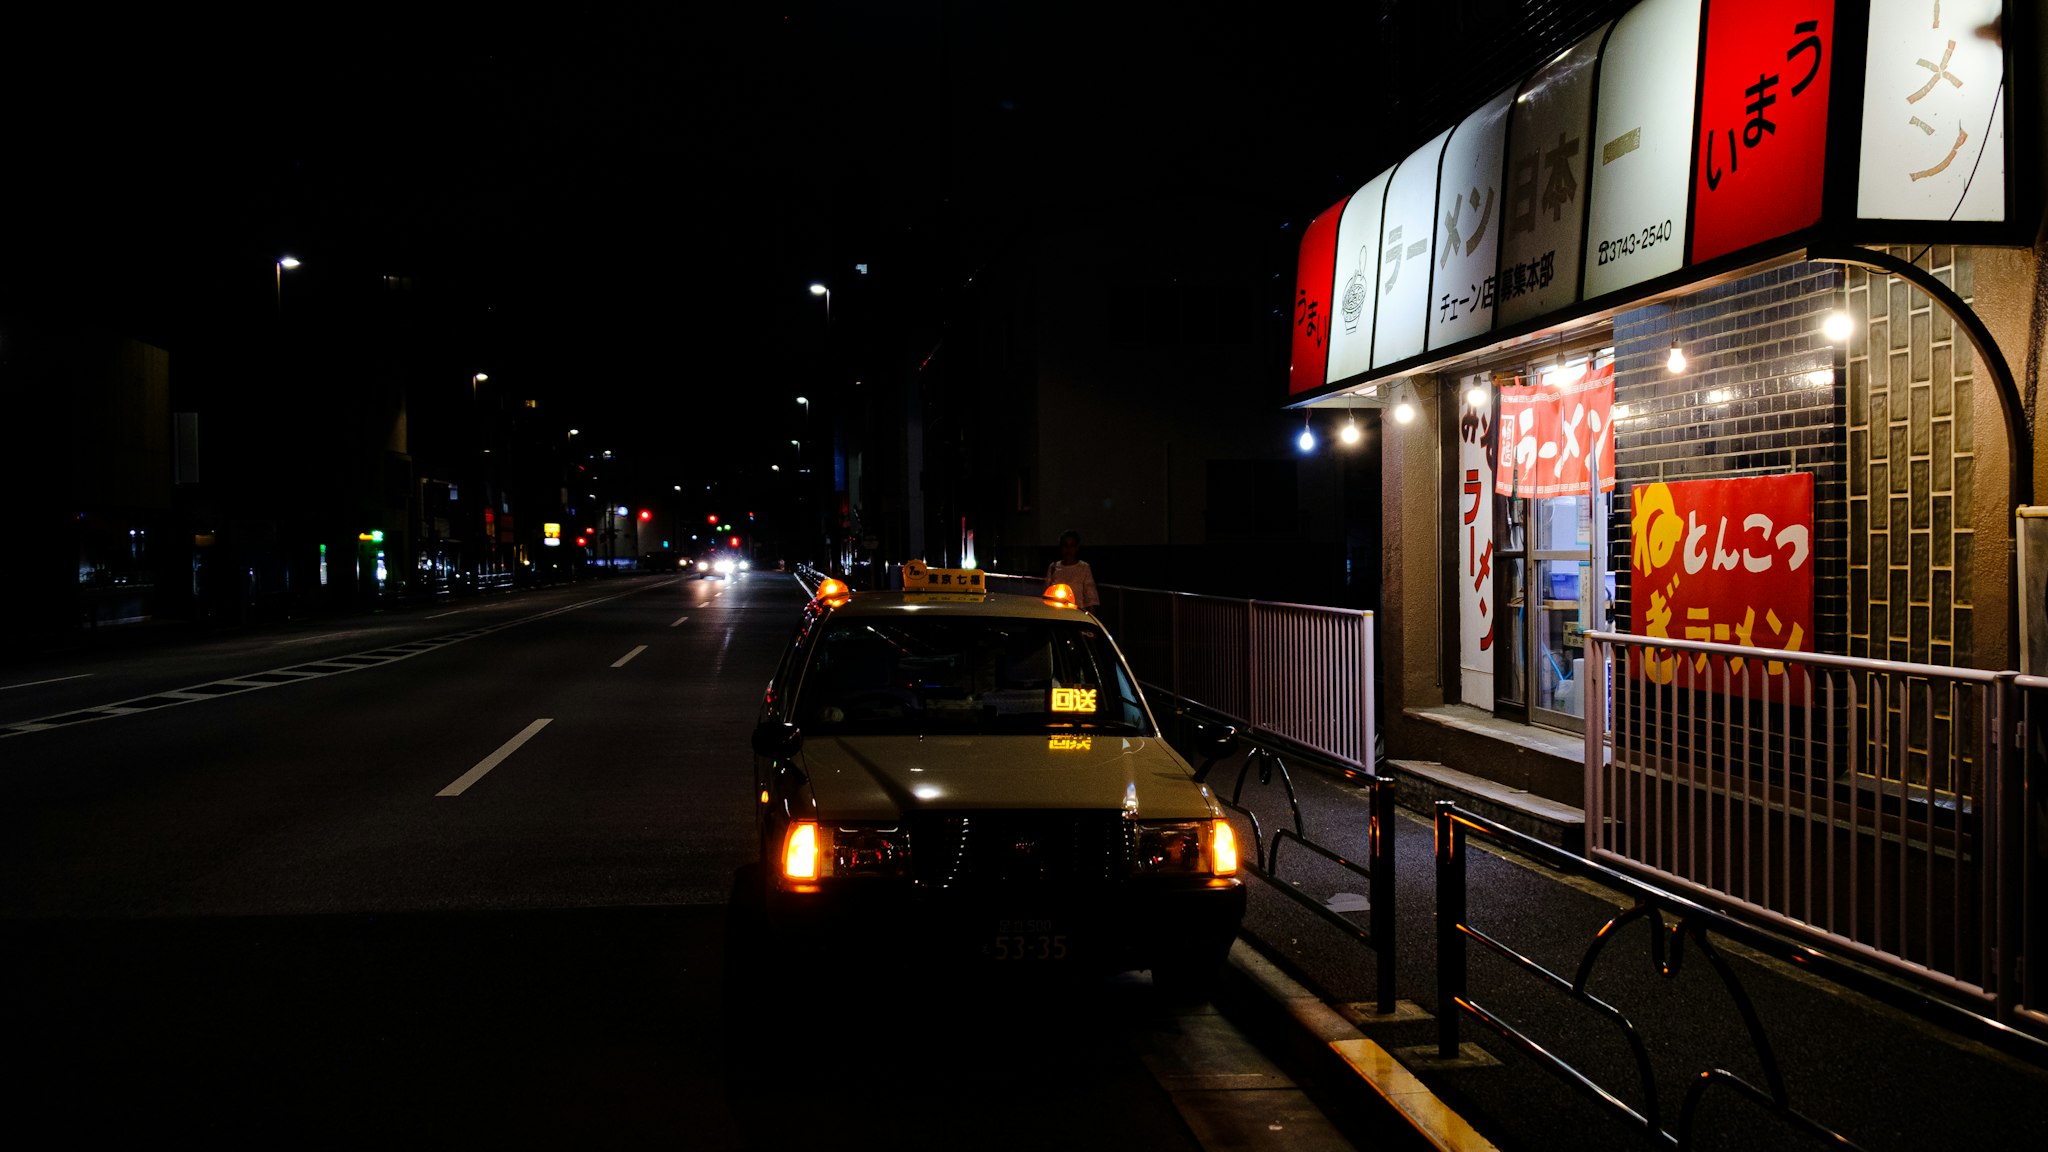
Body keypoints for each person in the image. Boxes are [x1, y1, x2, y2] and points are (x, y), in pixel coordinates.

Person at [1045, 530, 1100, 613]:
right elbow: (1046, 595)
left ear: (1077, 547)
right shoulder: (1054, 567)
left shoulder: (1083, 567)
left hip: (1077, 615)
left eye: (1072, 545)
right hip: (1056, 614)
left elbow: (1090, 597)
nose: (1069, 549)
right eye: (1065, 545)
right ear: (1061, 547)